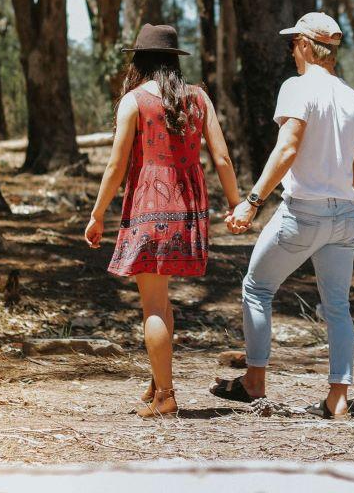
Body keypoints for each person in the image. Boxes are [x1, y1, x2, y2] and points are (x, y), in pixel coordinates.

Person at [210, 12, 354, 419]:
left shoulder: (297, 88)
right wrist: (334, 187)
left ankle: (254, 382)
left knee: (257, 287)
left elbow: (286, 149)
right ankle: (337, 397)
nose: (290, 51)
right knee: (337, 306)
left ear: (303, 45)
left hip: (302, 213)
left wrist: (252, 200)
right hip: (345, 215)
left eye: (292, 44)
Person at [85, 23, 241, 418]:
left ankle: (167, 397)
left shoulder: (134, 101)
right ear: (174, 61)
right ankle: (158, 379)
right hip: (189, 207)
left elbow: (117, 164)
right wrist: (237, 204)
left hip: (148, 206)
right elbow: (222, 158)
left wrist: (97, 213)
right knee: (164, 297)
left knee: (152, 304)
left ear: (138, 61)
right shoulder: (199, 98)